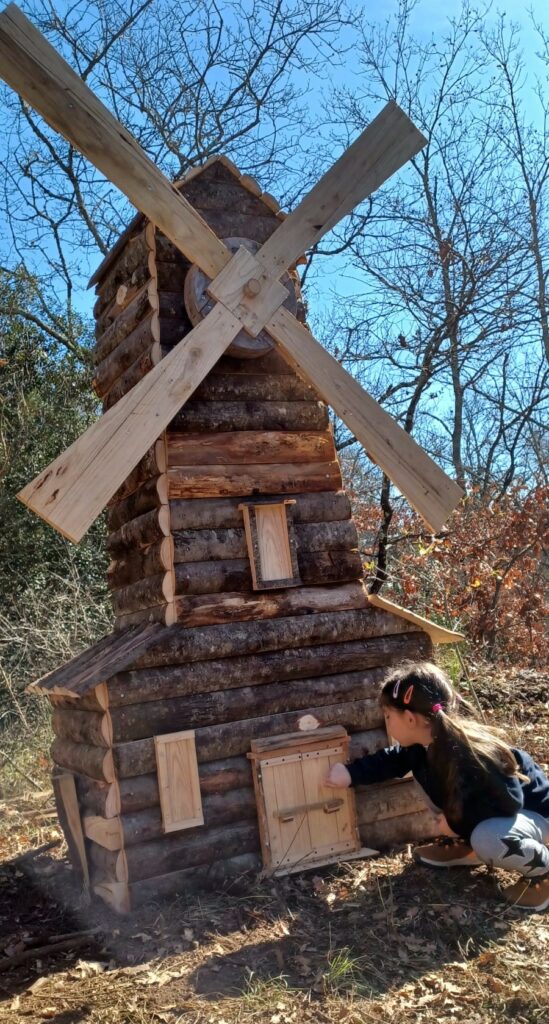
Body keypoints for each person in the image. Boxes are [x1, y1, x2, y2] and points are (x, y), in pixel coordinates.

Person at [325, 661, 549, 911]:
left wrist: (457, 823)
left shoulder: (472, 752)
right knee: (432, 782)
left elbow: (509, 802)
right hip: (500, 815)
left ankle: (542, 872)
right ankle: (469, 847)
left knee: (488, 837)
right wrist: (350, 773)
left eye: (388, 716)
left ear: (410, 719)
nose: (386, 722)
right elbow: (390, 760)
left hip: (532, 814)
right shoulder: (421, 746)